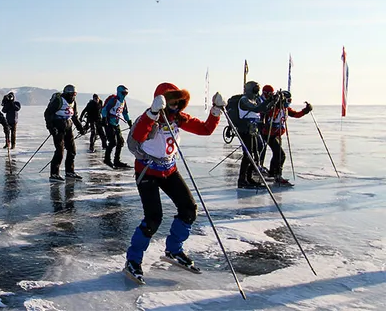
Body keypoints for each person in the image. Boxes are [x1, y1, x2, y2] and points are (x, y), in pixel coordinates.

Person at [123, 82, 224, 283]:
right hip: (147, 171)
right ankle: (133, 260)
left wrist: (215, 111)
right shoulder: (149, 118)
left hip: (169, 170)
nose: (176, 107)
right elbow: (137, 136)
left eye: (179, 103)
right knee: (153, 218)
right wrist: (152, 113)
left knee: (188, 209)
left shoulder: (178, 118)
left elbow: (204, 130)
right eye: (172, 102)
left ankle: (173, 250)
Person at [261, 90, 312, 186]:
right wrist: (276, 106)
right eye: (288, 100)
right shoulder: (274, 108)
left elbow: (296, 114)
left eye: (290, 100)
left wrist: (306, 110)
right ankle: (277, 175)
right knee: (281, 155)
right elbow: (270, 115)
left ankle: (272, 173)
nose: (289, 102)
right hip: (269, 134)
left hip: (277, 134)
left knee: (277, 154)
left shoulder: (285, 109)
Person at [236, 81, 277, 189]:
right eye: (256, 90)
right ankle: (242, 179)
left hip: (254, 129)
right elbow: (257, 109)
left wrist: (272, 101)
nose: (257, 92)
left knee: (257, 151)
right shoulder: (244, 100)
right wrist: (268, 100)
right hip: (245, 130)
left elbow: (264, 109)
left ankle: (249, 177)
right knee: (248, 154)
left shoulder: (255, 100)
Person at [44, 84, 86, 181]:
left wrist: (80, 128)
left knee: (72, 150)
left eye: (75, 94)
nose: (73, 96)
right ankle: (54, 173)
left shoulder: (73, 102)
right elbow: (48, 113)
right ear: (66, 93)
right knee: (60, 151)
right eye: (71, 94)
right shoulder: (59, 101)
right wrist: (51, 128)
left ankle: (69, 171)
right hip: (58, 128)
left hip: (68, 127)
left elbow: (75, 117)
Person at [101, 85, 132, 168]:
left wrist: (129, 122)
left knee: (120, 142)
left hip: (116, 124)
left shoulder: (123, 102)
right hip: (109, 123)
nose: (125, 94)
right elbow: (104, 110)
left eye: (126, 93)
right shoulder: (113, 100)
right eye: (123, 93)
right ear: (119, 92)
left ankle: (116, 161)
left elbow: (125, 113)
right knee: (113, 142)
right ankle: (107, 159)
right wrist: (104, 119)